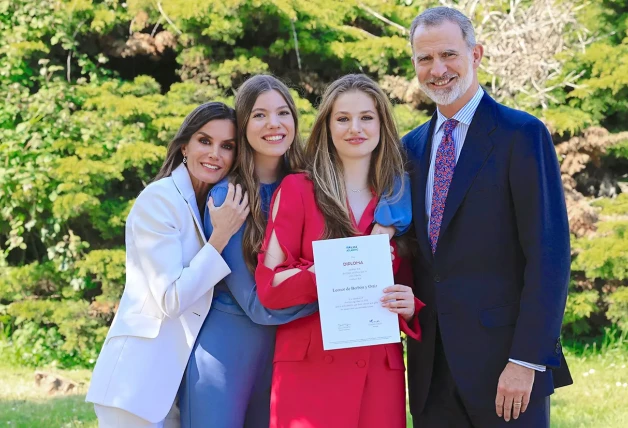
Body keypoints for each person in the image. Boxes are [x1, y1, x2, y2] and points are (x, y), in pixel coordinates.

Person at [179, 75, 413, 427]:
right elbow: (262, 300)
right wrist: (344, 277)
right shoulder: (241, 196)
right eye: (259, 115)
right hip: (240, 347)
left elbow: (411, 274)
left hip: (336, 358)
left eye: (283, 113)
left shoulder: (371, 193)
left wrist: (404, 300)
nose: (273, 124)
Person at [403, 7, 573, 427]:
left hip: (506, 370)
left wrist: (526, 360)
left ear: (475, 54)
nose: (437, 69)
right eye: (425, 59)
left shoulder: (521, 135)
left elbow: (549, 257)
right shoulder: (409, 149)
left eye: (448, 54)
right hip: (432, 375)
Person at [255, 74, 424, 428]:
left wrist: (409, 306)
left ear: (382, 125)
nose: (355, 128)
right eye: (343, 118)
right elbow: (269, 287)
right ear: (327, 127)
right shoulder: (298, 189)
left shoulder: (401, 199)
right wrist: (331, 270)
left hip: (379, 372)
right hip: (309, 371)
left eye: (366, 117)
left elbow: (414, 284)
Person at [86, 102, 249, 427]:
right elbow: (170, 299)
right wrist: (220, 237)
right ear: (185, 146)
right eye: (205, 141)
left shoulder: (212, 202)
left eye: (227, 146)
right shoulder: (159, 200)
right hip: (136, 386)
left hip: (177, 388)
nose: (215, 153)